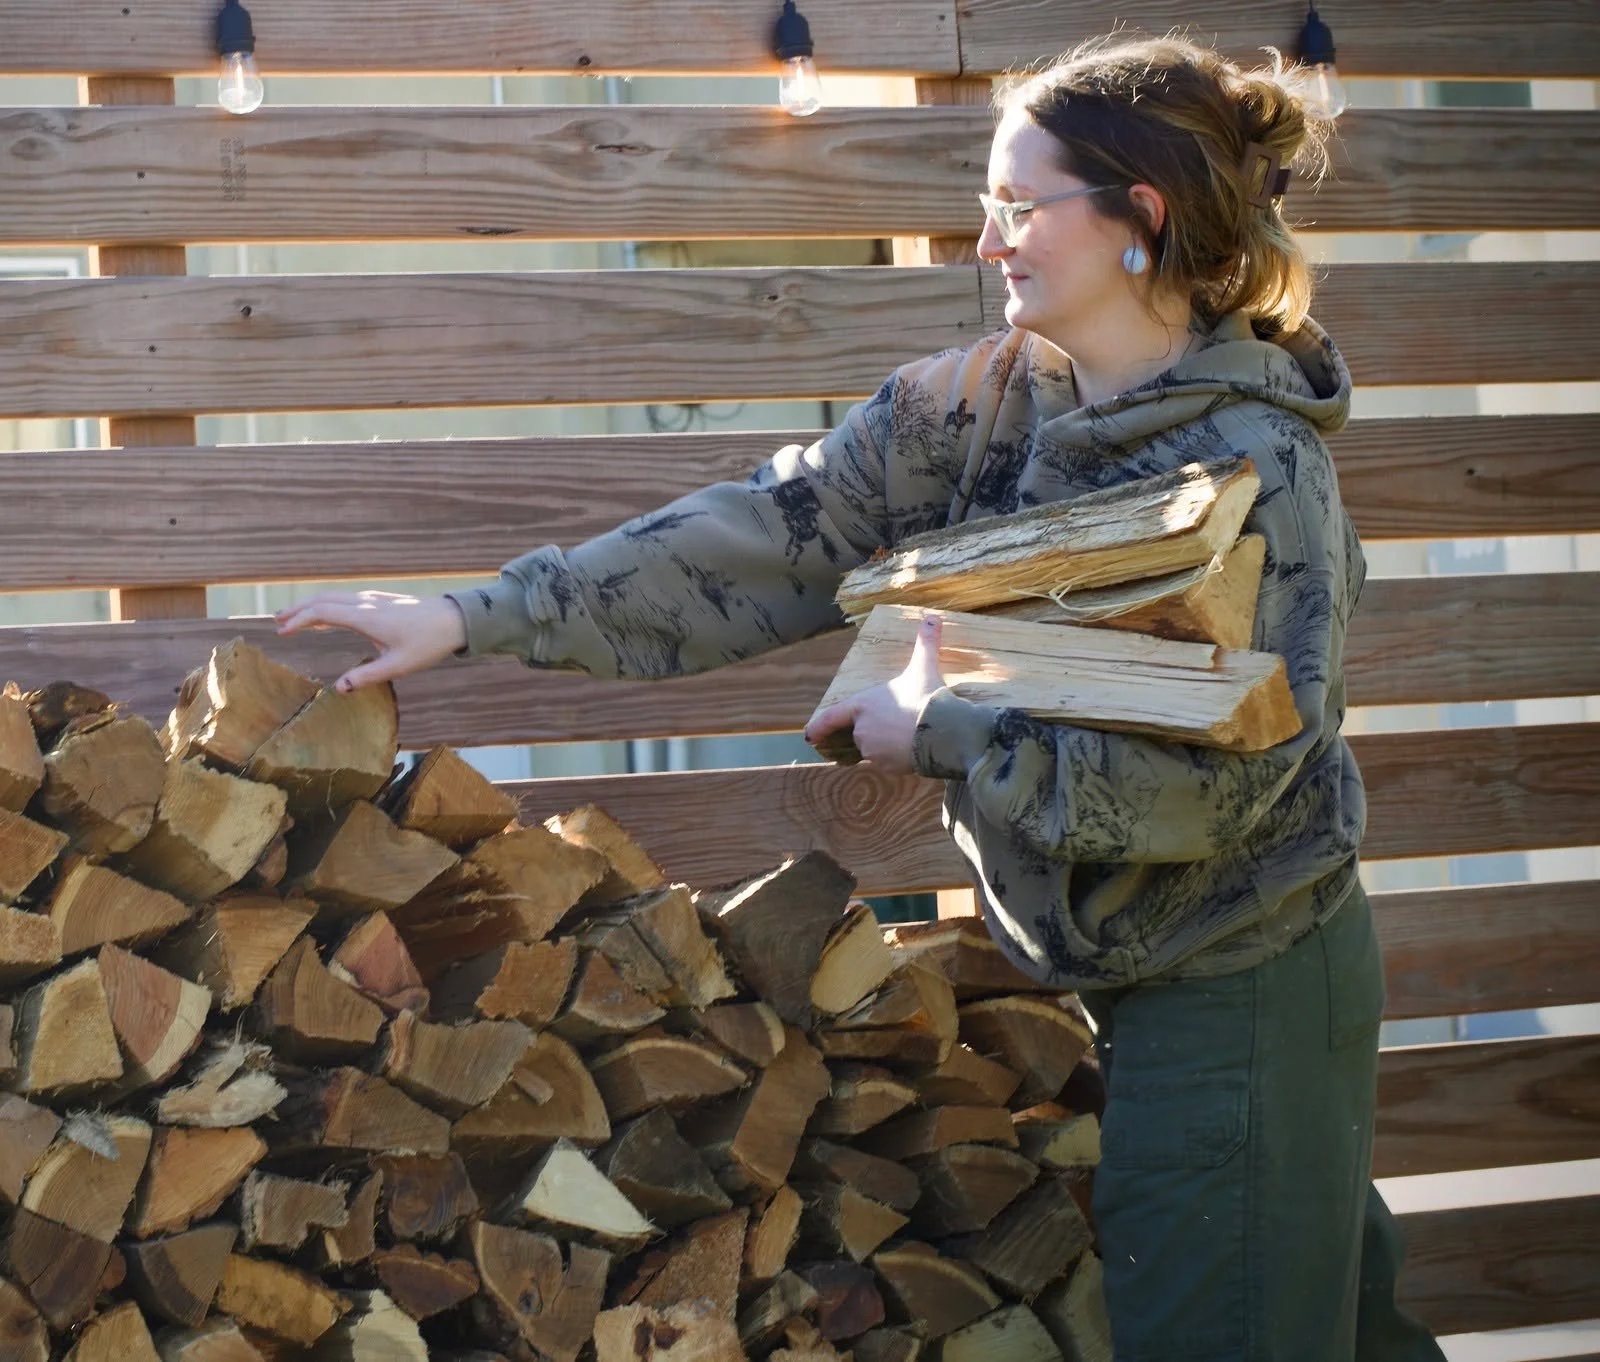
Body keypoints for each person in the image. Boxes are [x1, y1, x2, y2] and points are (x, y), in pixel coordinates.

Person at [278, 36, 1447, 1362]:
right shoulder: (983, 407)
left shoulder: (1259, 471)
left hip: (1247, 986)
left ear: (1143, 218)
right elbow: (755, 539)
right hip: (1140, 980)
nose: (987, 237)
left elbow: (1223, 786)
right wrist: (471, 615)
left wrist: (940, 731)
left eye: (1021, 205)